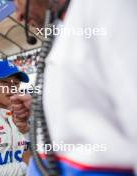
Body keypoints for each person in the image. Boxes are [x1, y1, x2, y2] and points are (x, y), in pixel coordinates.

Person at [12, 0, 137, 175]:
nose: (18, 15)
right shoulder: (69, 24)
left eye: (17, 1)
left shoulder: (107, 6)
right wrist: (41, 107)